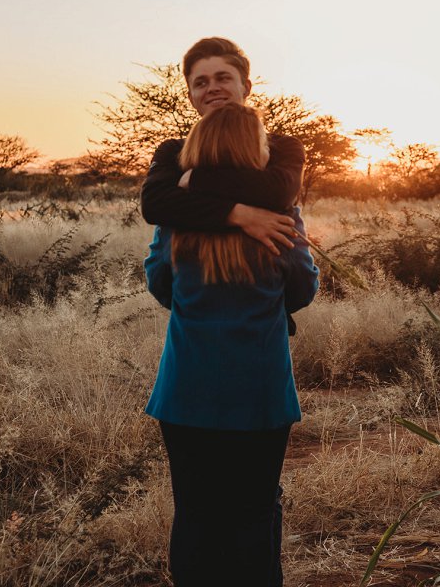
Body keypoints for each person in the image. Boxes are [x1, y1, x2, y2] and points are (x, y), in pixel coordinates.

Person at [144, 102, 318, 587]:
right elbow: (302, 290)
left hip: (185, 388)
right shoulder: (283, 217)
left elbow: (160, 286)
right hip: (260, 392)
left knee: (195, 513)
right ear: (254, 151)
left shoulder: (176, 219)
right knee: (255, 512)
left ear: (198, 149)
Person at [141, 37, 306, 255]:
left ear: (246, 87)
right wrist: (240, 215)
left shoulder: (283, 146)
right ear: (191, 97)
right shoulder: (173, 150)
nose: (212, 88)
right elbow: (154, 203)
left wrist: (196, 179)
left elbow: (280, 191)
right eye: (201, 83)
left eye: (223, 78)